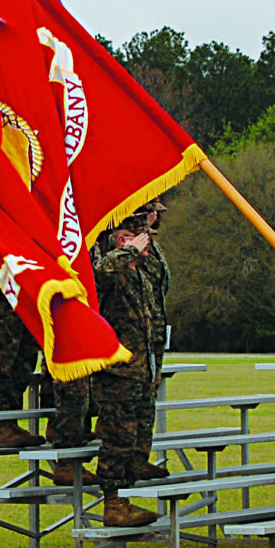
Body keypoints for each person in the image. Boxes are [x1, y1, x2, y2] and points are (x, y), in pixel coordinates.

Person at [89, 202, 171, 528]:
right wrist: (127, 252)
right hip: (118, 371)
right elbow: (98, 276)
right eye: (141, 238)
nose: (148, 244)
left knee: (139, 432)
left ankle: (129, 487)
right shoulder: (110, 268)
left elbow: (163, 277)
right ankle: (114, 502)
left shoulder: (141, 272)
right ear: (124, 240)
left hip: (143, 368)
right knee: (117, 438)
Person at [0, 259, 43, 452]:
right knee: (3, 357)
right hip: (2, 282)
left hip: (28, 283)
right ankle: (0, 424)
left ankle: (11, 421)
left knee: (24, 359)